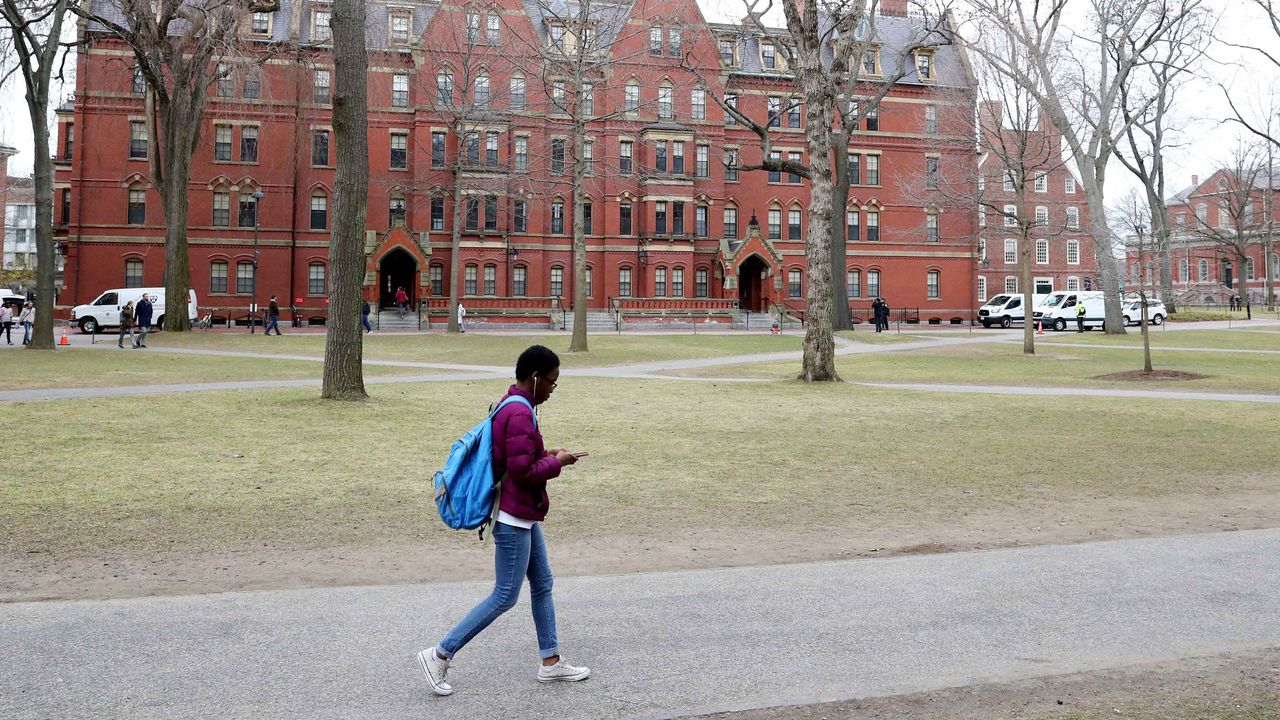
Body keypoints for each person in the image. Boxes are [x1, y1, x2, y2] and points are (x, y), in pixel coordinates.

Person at [418, 345, 590, 696]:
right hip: (513, 516)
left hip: (522, 512)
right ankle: (439, 654)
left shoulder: (514, 405)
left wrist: (549, 453)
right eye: (552, 384)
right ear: (536, 377)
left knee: (542, 583)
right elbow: (522, 471)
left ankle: (551, 662)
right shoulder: (521, 413)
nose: (552, 391)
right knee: (504, 596)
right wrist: (559, 464)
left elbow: (519, 456)